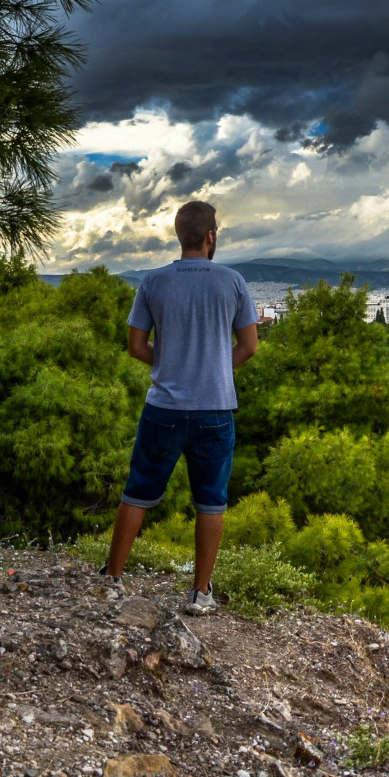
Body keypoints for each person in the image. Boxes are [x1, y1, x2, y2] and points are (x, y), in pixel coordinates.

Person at [101, 200, 259, 614]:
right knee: (211, 501)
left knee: (137, 493)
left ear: (178, 235)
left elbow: (136, 346)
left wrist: (173, 360)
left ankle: (112, 579)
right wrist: (211, 366)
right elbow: (249, 346)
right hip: (215, 410)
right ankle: (200, 593)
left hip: (164, 409)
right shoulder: (233, 281)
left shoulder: (153, 281)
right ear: (211, 237)